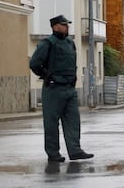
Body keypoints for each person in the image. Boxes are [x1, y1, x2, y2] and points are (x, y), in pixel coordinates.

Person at [30, 15, 93, 162]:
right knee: (51, 123)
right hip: (53, 89)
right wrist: (46, 75)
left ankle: (75, 150)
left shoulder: (70, 43)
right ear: (55, 27)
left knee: (73, 121)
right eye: (64, 25)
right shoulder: (47, 43)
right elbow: (34, 63)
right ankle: (53, 153)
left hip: (69, 89)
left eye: (67, 25)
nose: (67, 27)